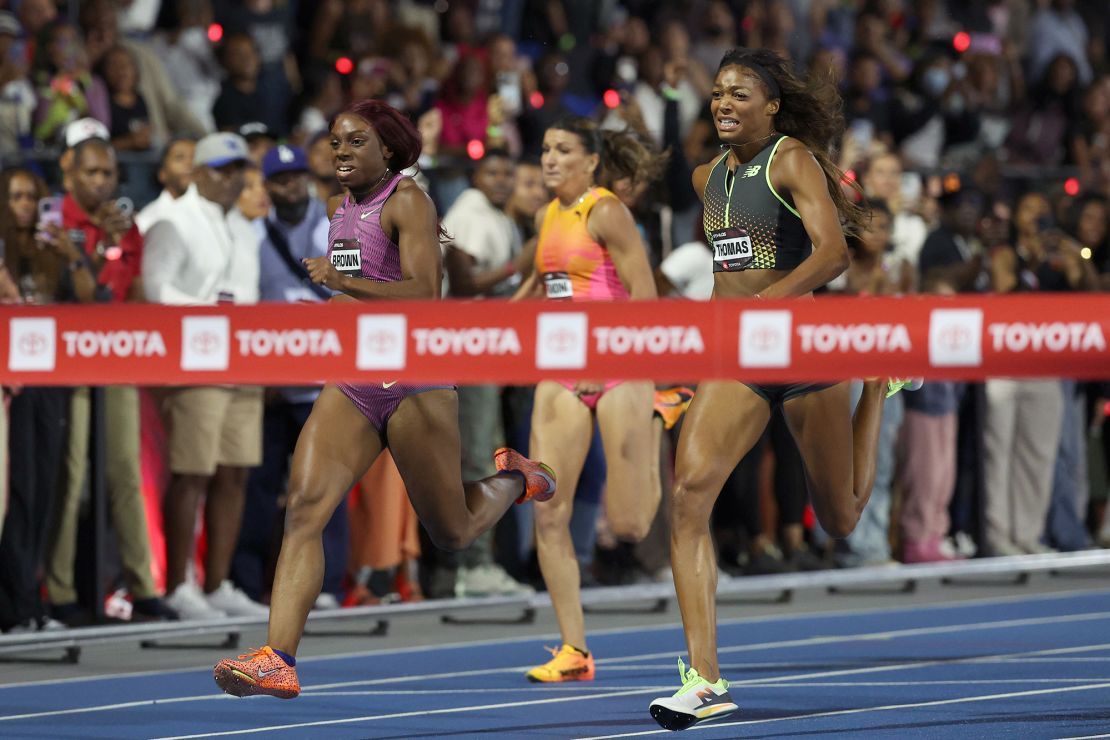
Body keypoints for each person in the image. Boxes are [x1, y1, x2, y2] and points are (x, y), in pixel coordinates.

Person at [212, 99, 555, 699]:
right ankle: (279, 657)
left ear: (389, 150)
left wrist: (340, 281)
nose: (340, 152)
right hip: (352, 377)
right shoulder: (335, 206)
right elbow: (354, 293)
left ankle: (515, 479)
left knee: (450, 531)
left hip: (415, 378)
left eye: (354, 142)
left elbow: (424, 292)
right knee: (303, 507)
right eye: (335, 142)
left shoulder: (408, 201)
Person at [648, 48, 917, 731]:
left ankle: (877, 387)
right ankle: (704, 679)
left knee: (842, 518)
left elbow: (832, 254)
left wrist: (772, 300)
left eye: (740, 92)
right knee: (687, 494)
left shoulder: (790, 159)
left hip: (801, 350)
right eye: (717, 93)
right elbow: (720, 277)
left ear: (771, 105)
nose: (725, 102)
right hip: (737, 357)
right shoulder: (709, 174)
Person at [511, 117, 661, 683]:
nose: (549, 158)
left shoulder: (606, 212)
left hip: (620, 367)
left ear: (591, 161)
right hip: (561, 371)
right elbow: (532, 291)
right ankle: (574, 649)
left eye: (562, 149)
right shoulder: (546, 215)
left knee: (629, 526)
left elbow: (644, 298)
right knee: (548, 511)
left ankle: (659, 421)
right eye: (545, 147)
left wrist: (612, 359)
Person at [143, 132, 266, 621]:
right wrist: (212, 314)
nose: (232, 179)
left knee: (234, 472)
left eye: (238, 170)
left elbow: (249, 293)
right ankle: (178, 584)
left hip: (243, 361)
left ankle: (215, 584)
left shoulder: (242, 224)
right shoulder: (169, 220)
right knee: (192, 472)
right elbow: (156, 291)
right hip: (195, 363)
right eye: (221, 170)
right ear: (196, 173)